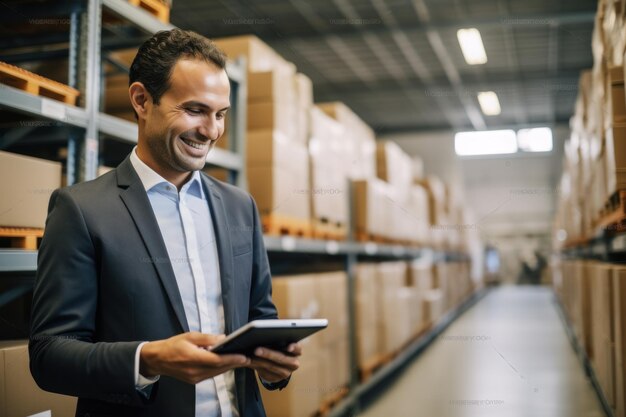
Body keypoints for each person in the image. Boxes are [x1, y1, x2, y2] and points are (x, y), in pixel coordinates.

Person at [29, 29, 300, 417]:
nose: (211, 131)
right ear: (141, 100)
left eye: (220, 114)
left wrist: (275, 367)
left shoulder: (240, 207)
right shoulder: (82, 210)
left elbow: (261, 317)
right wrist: (148, 360)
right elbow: (49, 355)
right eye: (194, 110)